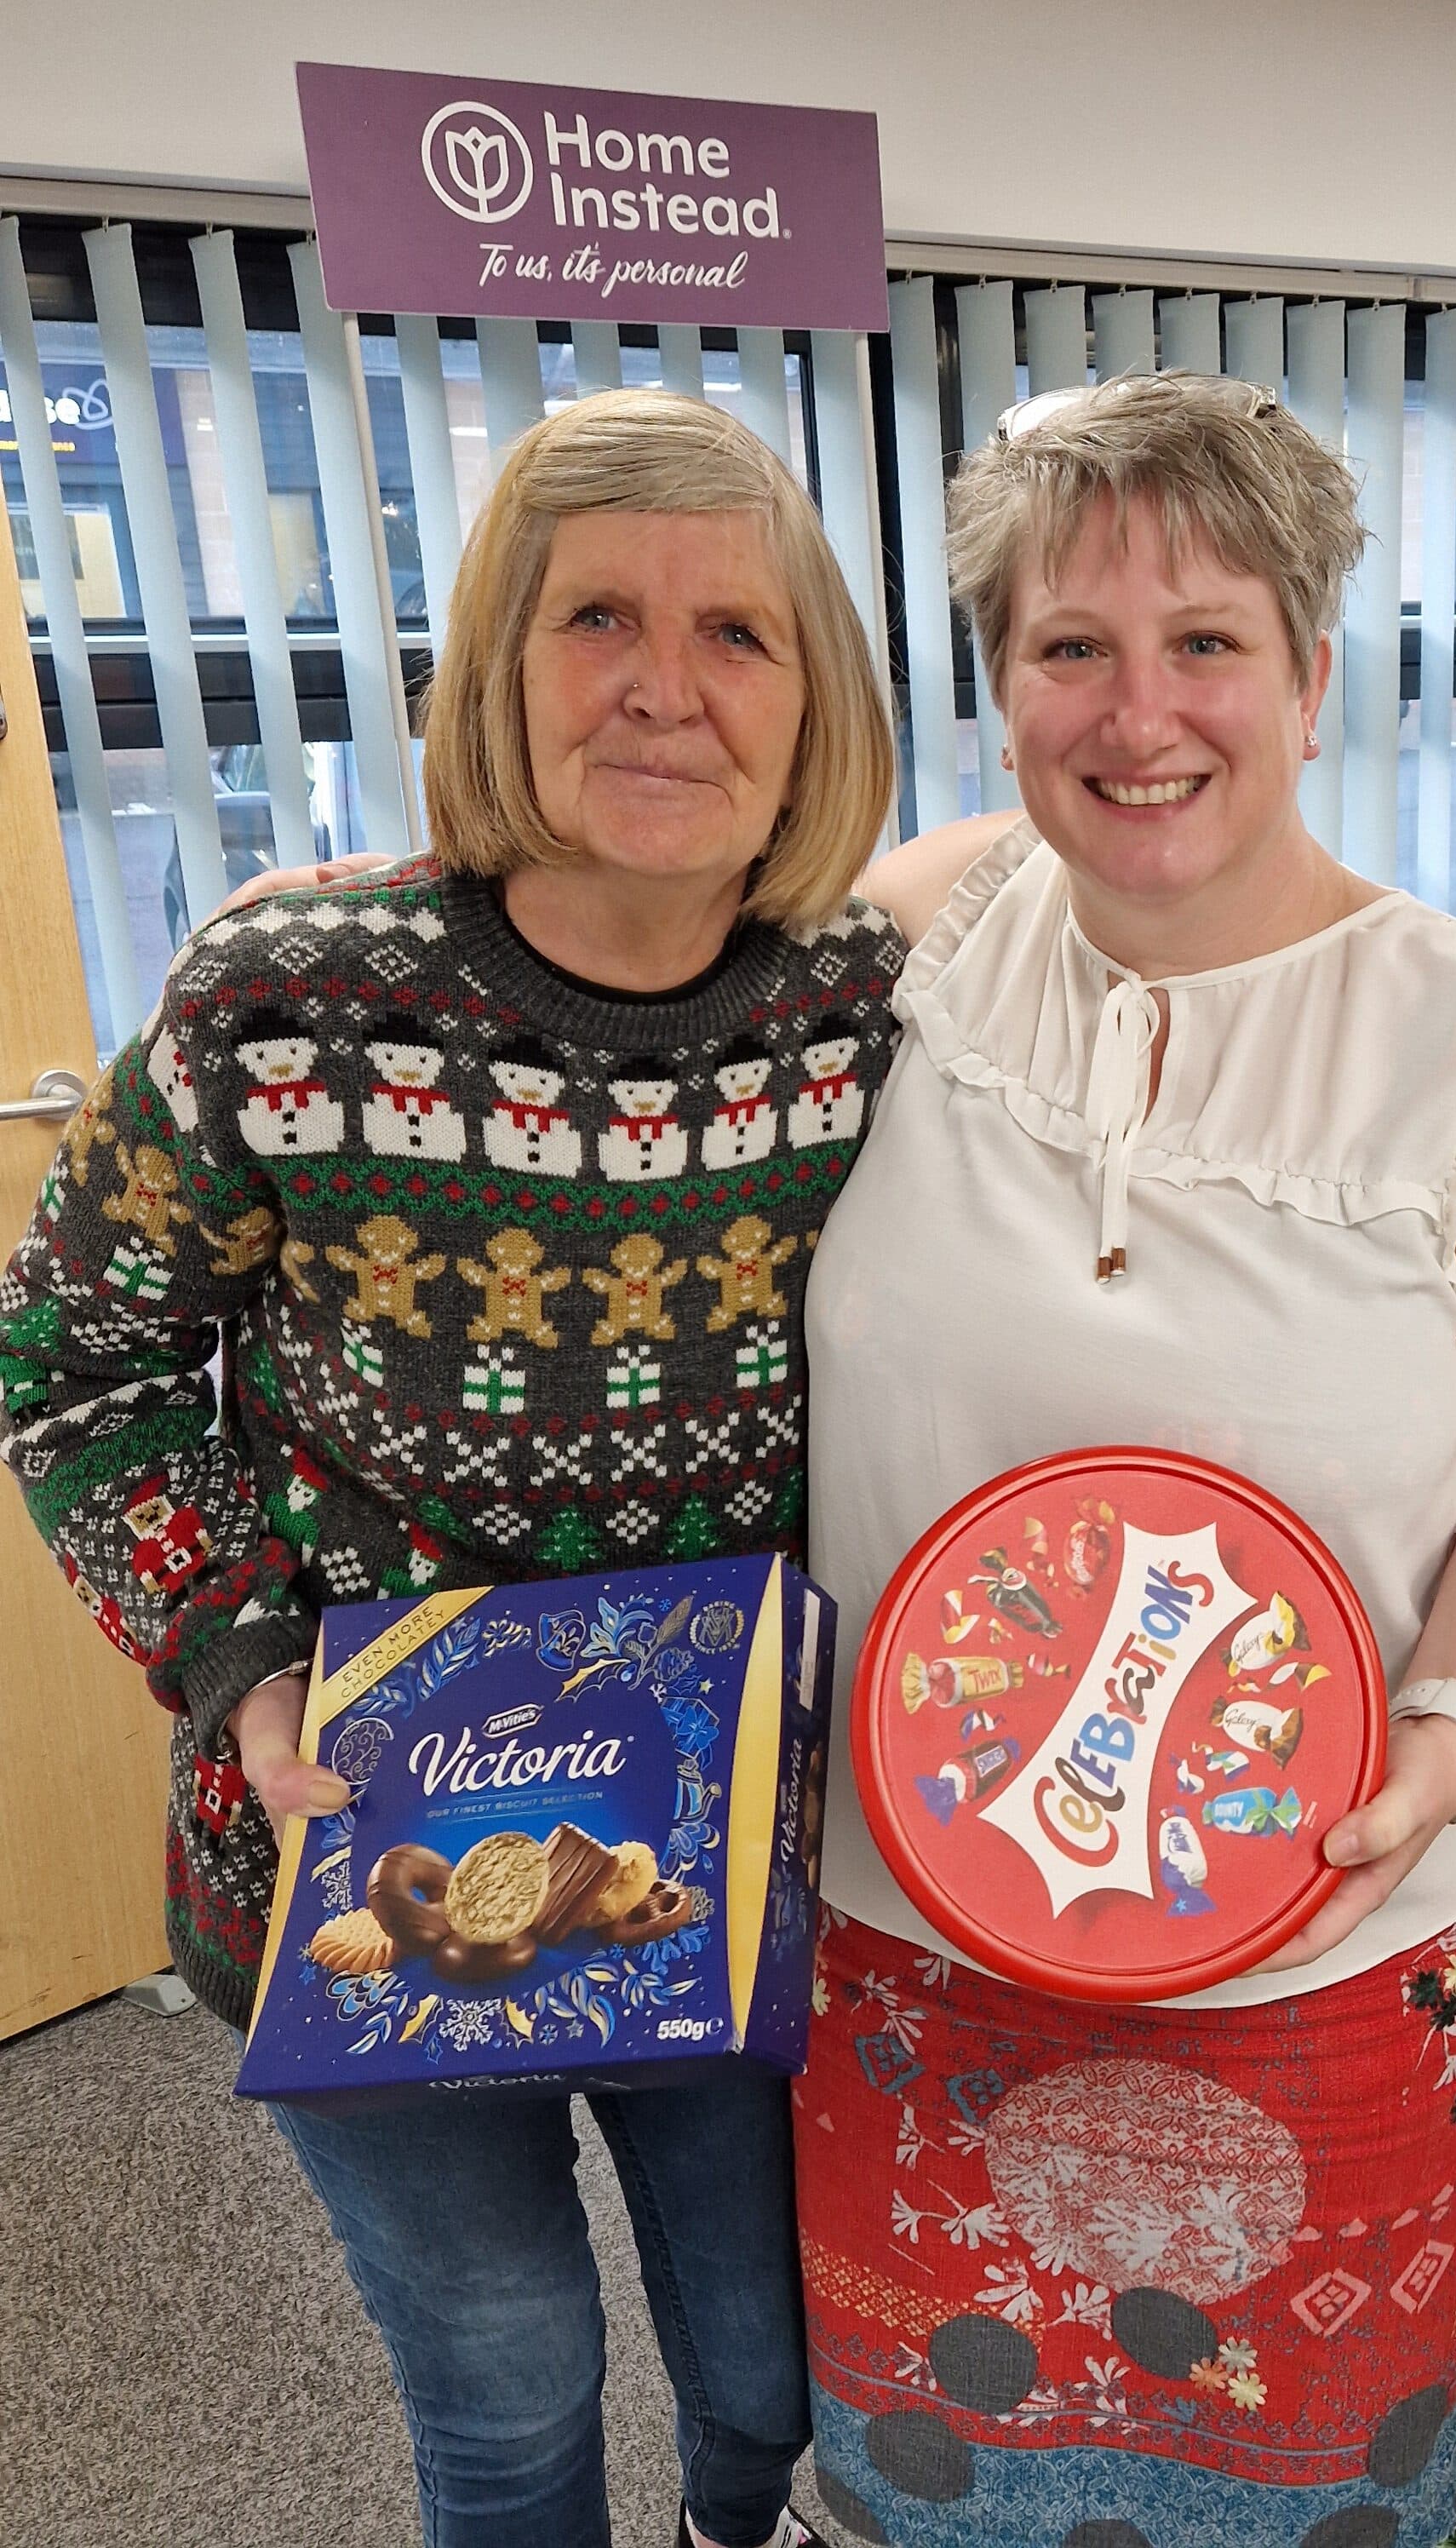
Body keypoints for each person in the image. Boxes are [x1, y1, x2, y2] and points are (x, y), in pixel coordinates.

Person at [0, 387, 903, 2548]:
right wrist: (233, 1648)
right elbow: (73, 1358)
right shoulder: (284, 998)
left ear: (818, 704)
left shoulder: (879, 1011)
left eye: (738, 634)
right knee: (505, 2384)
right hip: (355, 1842)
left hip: (720, 1836)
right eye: (596, 612)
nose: (664, 685)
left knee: (777, 2369)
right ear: (499, 658)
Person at [801, 373, 1456, 2544]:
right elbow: (605, 904)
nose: (1136, 708)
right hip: (907, 1932)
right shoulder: (929, 937)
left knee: (1299, 2501)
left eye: (1203, 639)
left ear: (1305, 664)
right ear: (996, 684)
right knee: (941, 2477)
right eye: (1066, 647)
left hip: (1315, 1938)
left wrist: (1453, 1740)